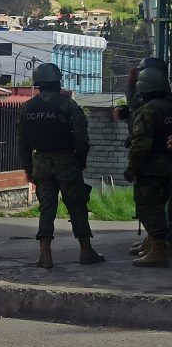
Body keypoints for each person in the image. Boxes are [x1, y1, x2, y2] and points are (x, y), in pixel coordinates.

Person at [16, 63, 104, 269]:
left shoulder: (27, 108)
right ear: (57, 81)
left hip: (41, 164)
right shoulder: (68, 105)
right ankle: (86, 250)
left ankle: (45, 255)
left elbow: (22, 143)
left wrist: (29, 169)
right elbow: (81, 138)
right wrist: (80, 161)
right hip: (66, 163)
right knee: (77, 206)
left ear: (38, 83)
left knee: (46, 209)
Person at [119, 56, 167, 257]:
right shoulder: (167, 103)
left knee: (148, 207)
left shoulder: (148, 109)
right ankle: (154, 243)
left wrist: (132, 168)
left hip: (151, 166)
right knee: (157, 207)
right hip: (165, 165)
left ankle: (157, 250)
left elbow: (141, 144)